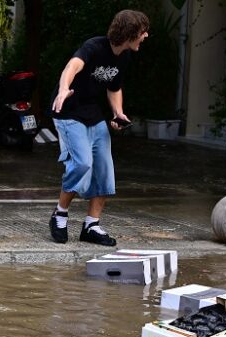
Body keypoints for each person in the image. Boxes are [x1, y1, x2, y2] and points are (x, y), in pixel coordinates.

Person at [48, 9, 149, 246]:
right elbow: (71, 68)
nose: (145, 36)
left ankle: (91, 225)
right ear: (131, 32)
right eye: (143, 32)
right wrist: (64, 89)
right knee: (82, 163)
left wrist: (118, 112)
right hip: (69, 112)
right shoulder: (94, 46)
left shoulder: (124, 56)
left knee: (104, 171)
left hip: (94, 115)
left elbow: (114, 87)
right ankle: (60, 213)